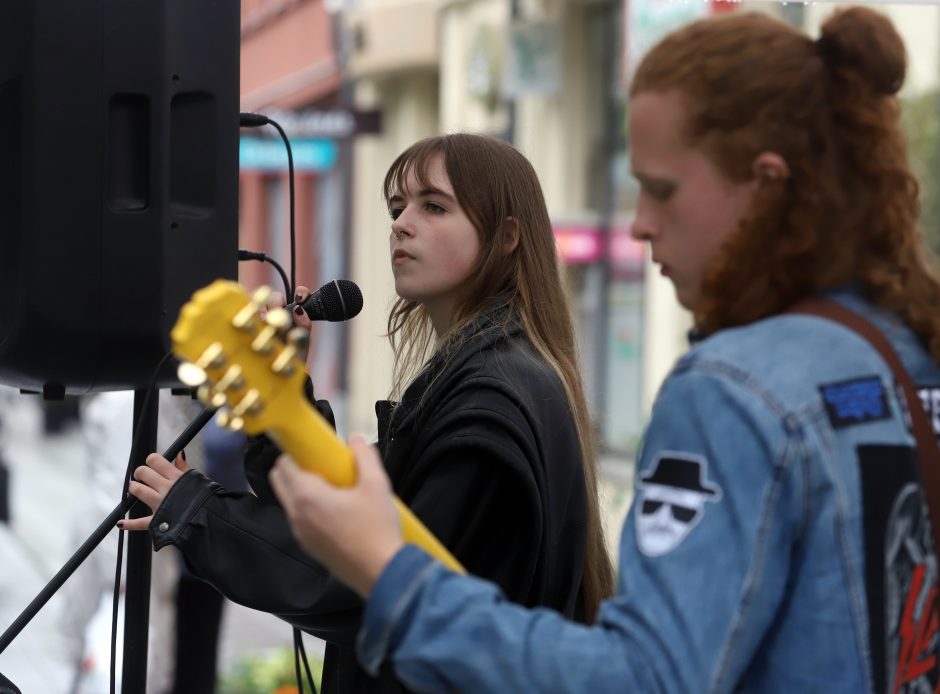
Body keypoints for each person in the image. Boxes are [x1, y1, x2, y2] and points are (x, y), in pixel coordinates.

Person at [266, 7, 940, 693]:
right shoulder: (905, 354)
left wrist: (390, 576)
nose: (640, 224)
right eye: (397, 208)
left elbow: (638, 679)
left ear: (766, 188)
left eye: (662, 189)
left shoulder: (732, 392)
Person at [121, 134, 614, 692]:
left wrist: (198, 513)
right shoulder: (486, 374)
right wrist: (283, 401)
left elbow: (365, 579)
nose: (401, 223)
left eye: (433, 206)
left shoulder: (489, 404)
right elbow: (352, 510)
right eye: (397, 207)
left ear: (505, 237)